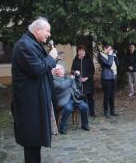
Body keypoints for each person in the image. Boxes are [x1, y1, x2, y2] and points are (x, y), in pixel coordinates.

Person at [11, 17, 58, 163]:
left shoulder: (32, 43)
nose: (49, 34)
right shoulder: (25, 45)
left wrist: (50, 71)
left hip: (34, 102)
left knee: (35, 142)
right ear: (38, 29)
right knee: (32, 143)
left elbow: (36, 69)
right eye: (47, 31)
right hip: (29, 104)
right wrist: (51, 58)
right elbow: (37, 69)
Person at [52, 64, 90, 134]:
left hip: (75, 98)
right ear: (56, 71)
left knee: (84, 106)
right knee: (68, 108)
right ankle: (62, 127)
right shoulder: (54, 80)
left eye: (62, 68)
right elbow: (62, 87)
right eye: (61, 68)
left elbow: (78, 85)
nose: (63, 69)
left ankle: (85, 124)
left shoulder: (67, 77)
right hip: (64, 100)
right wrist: (71, 78)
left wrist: (78, 76)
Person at [71, 46, 96, 117]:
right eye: (80, 51)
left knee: (90, 98)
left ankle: (92, 112)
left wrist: (87, 77)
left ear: (85, 52)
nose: (81, 52)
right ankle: (83, 112)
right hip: (79, 83)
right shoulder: (75, 60)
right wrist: (76, 74)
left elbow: (92, 70)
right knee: (81, 97)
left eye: (83, 51)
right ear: (78, 52)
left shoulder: (88, 60)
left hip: (88, 82)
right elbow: (72, 70)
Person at [99, 43, 118, 118]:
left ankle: (112, 110)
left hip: (113, 77)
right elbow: (109, 64)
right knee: (107, 95)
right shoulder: (101, 55)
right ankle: (106, 110)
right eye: (110, 49)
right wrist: (110, 55)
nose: (111, 50)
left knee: (112, 95)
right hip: (106, 78)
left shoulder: (110, 55)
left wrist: (115, 56)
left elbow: (117, 64)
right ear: (105, 49)